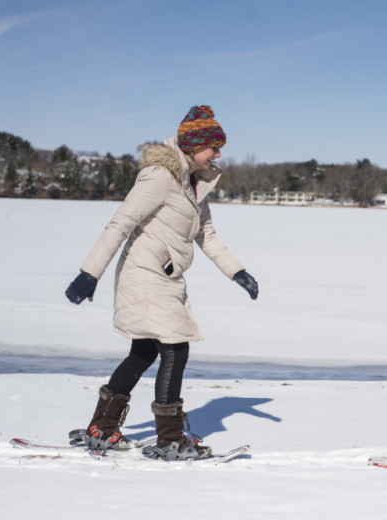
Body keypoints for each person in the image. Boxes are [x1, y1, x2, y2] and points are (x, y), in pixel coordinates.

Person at [64, 105, 259, 461]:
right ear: (192, 146)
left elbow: (207, 235)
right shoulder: (160, 175)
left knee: (144, 351)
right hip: (146, 273)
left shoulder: (194, 183)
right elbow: (121, 222)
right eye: (213, 147)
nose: (218, 154)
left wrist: (237, 271)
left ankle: (101, 430)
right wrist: (89, 273)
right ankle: (170, 439)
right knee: (175, 348)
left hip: (166, 276)